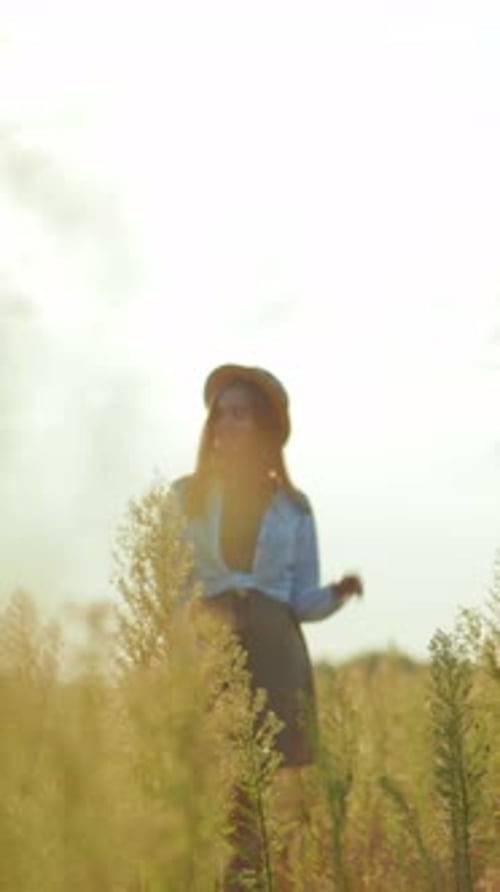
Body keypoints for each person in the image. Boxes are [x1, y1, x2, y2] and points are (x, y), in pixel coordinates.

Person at [172, 363, 363, 885]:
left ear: (266, 429)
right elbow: (173, 586)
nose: (224, 424)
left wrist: (338, 594)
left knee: (260, 786)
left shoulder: (294, 510)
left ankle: (249, 878)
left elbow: (299, 601)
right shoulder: (184, 496)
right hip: (209, 645)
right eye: (219, 414)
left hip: (275, 648)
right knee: (205, 773)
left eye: (239, 415)